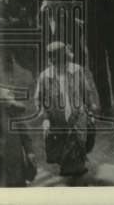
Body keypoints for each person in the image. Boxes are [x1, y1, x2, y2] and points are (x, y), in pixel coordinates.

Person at [35, 41, 99, 180]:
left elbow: (86, 91)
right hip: (57, 118)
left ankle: (79, 167)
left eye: (64, 61)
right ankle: (67, 168)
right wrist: (45, 119)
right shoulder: (45, 77)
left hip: (78, 115)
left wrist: (91, 108)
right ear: (51, 61)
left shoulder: (77, 70)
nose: (61, 66)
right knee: (63, 144)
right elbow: (39, 100)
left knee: (79, 142)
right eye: (57, 62)